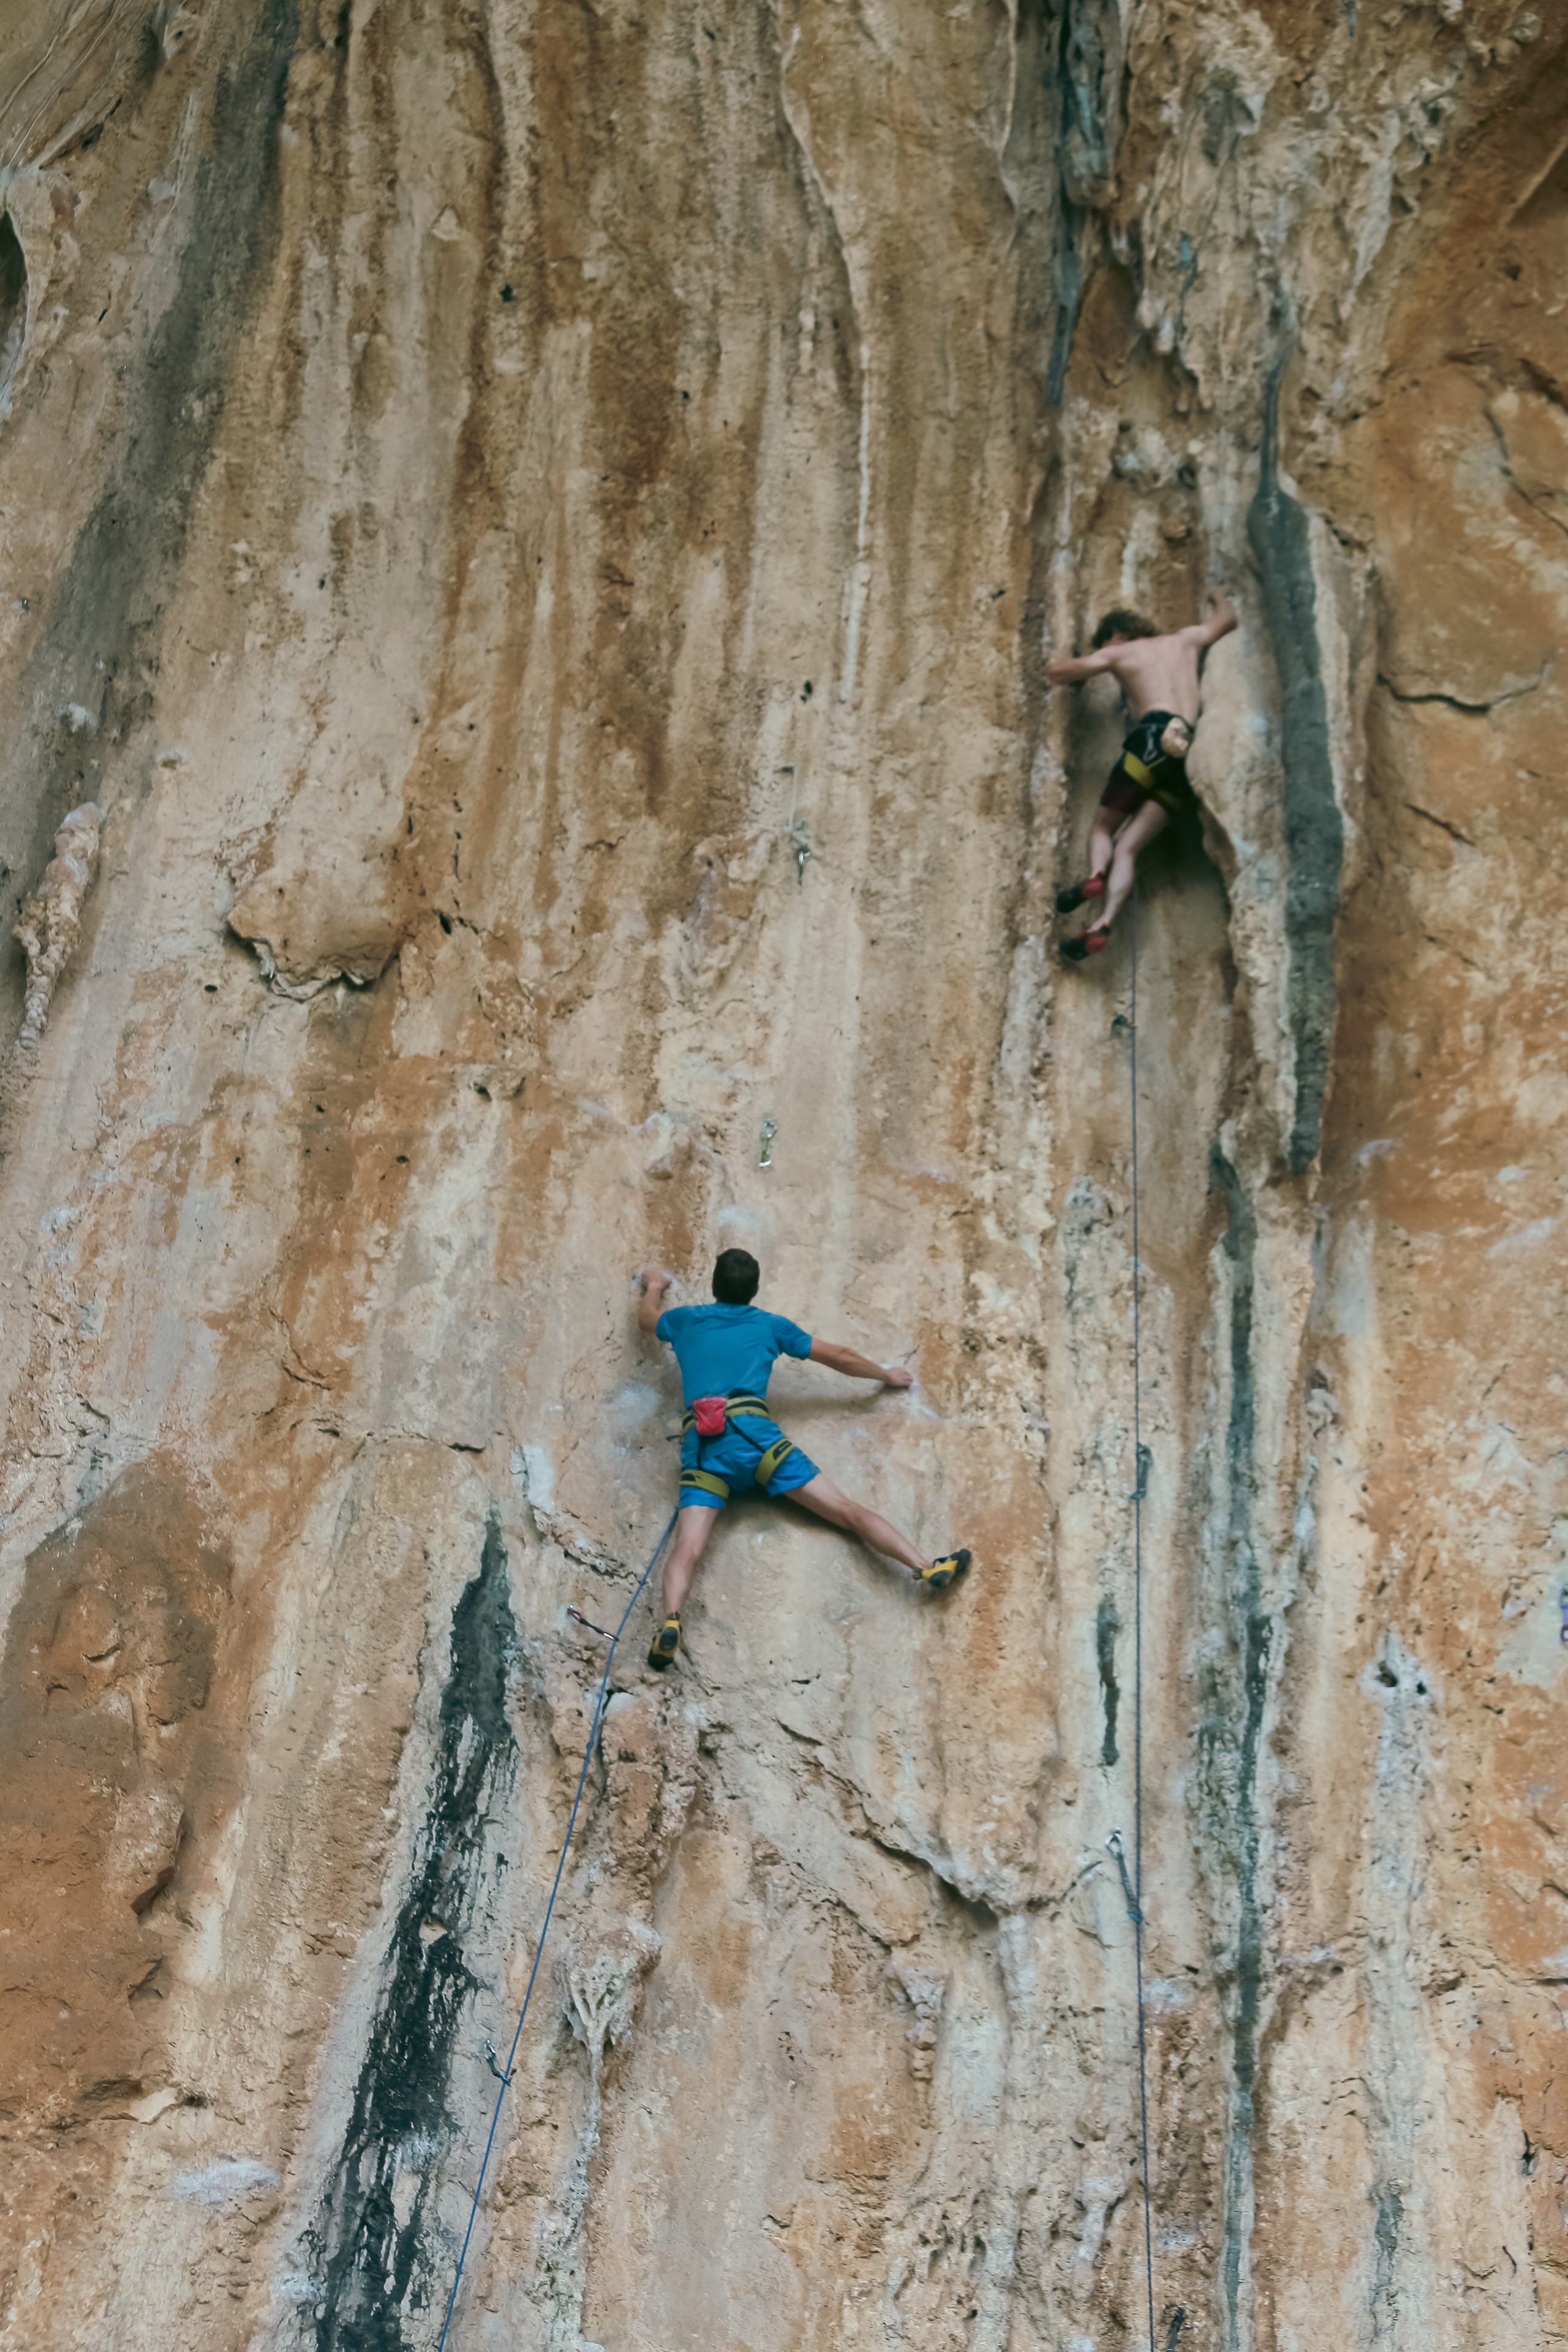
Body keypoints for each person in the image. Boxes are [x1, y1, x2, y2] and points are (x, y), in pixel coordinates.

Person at [635, 1250, 971, 1668]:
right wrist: (885, 1375)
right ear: (754, 1290)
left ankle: (671, 1619)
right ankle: (923, 1567)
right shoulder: (768, 1325)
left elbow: (647, 1321)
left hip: (704, 1447)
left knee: (688, 1545)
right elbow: (840, 1356)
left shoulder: (685, 1321)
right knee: (846, 1511)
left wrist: (654, 1285)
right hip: (755, 1439)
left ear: (715, 1285)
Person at [1047, 587, 1237, 960]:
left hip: (1152, 739)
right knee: (1130, 848)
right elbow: (1226, 620)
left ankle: (1096, 875)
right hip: (1188, 750)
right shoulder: (1185, 641)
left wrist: (1080, 671)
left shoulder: (1121, 651)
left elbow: (1063, 671)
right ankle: (1103, 923)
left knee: (1103, 829)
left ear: (1117, 635)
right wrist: (1216, 597)